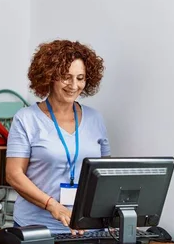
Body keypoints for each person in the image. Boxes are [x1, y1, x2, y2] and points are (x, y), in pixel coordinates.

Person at [6, 40, 110, 234]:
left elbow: (105, 174)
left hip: (85, 228)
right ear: (49, 76)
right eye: (66, 77)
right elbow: (14, 175)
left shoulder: (95, 119)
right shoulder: (26, 119)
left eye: (80, 78)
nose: (74, 85)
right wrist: (52, 205)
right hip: (36, 228)